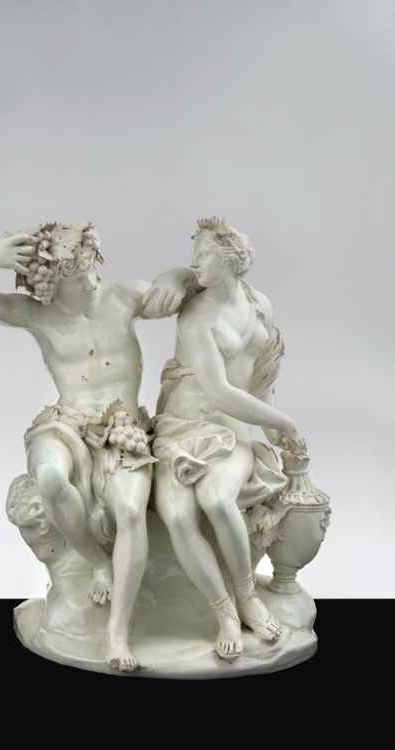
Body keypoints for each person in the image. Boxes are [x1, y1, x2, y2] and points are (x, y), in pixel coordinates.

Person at [0, 221, 194, 672]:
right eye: (78, 277)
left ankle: (117, 631)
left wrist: (179, 276)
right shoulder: (37, 314)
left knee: (130, 511)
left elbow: (185, 292)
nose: (92, 280)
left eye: (92, 267)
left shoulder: (121, 296)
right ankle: (97, 562)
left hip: (123, 428)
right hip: (66, 424)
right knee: (51, 479)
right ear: (53, 282)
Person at [153, 217, 306, 661]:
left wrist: (275, 431)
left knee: (218, 498)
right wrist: (285, 422)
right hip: (182, 429)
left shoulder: (261, 307)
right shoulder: (195, 317)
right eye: (194, 255)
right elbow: (219, 391)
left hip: (231, 432)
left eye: (203, 255)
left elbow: (261, 380)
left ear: (232, 261)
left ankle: (247, 598)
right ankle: (223, 613)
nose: (194, 263)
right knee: (177, 514)